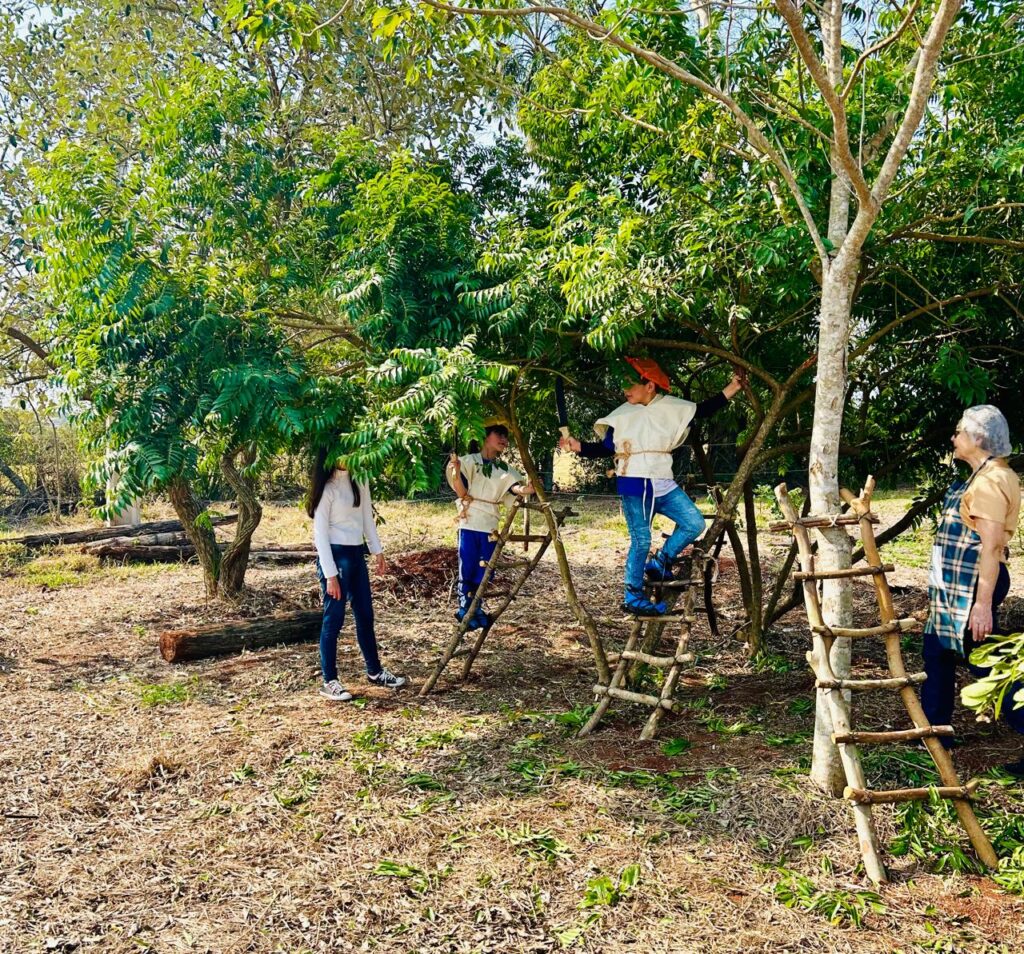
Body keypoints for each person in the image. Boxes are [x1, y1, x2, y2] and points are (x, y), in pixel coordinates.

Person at [559, 357, 746, 616]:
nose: (625, 390)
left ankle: (661, 561)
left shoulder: (671, 407)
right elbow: (605, 448)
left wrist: (734, 386)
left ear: (650, 386)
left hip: (662, 481)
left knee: (693, 522)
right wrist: (577, 446)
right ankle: (632, 595)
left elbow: (702, 409)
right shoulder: (623, 413)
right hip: (634, 481)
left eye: (631, 384)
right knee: (641, 539)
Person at [921, 405, 1023, 776]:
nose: (954, 438)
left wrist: (982, 606)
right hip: (955, 589)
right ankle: (935, 735)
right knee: (937, 654)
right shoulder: (983, 475)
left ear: (978, 439)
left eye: (960, 432)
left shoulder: (990, 483)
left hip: (972, 589)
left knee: (986, 664)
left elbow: (991, 548)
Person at [308, 450, 406, 701]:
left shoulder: (360, 480)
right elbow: (320, 535)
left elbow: (366, 520)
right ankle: (329, 680)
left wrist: (377, 550)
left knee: (365, 614)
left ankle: (374, 670)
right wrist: (330, 575)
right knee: (334, 619)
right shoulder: (327, 488)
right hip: (336, 557)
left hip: (355, 555)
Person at [447, 424, 534, 630]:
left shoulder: (503, 469)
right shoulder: (468, 462)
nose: (504, 439)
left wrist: (526, 489)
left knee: (485, 568)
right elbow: (461, 491)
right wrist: (456, 471)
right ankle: (464, 606)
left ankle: (476, 606)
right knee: (467, 563)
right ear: (485, 437)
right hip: (469, 521)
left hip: (489, 524)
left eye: (506, 436)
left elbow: (513, 487)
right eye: (499, 434)